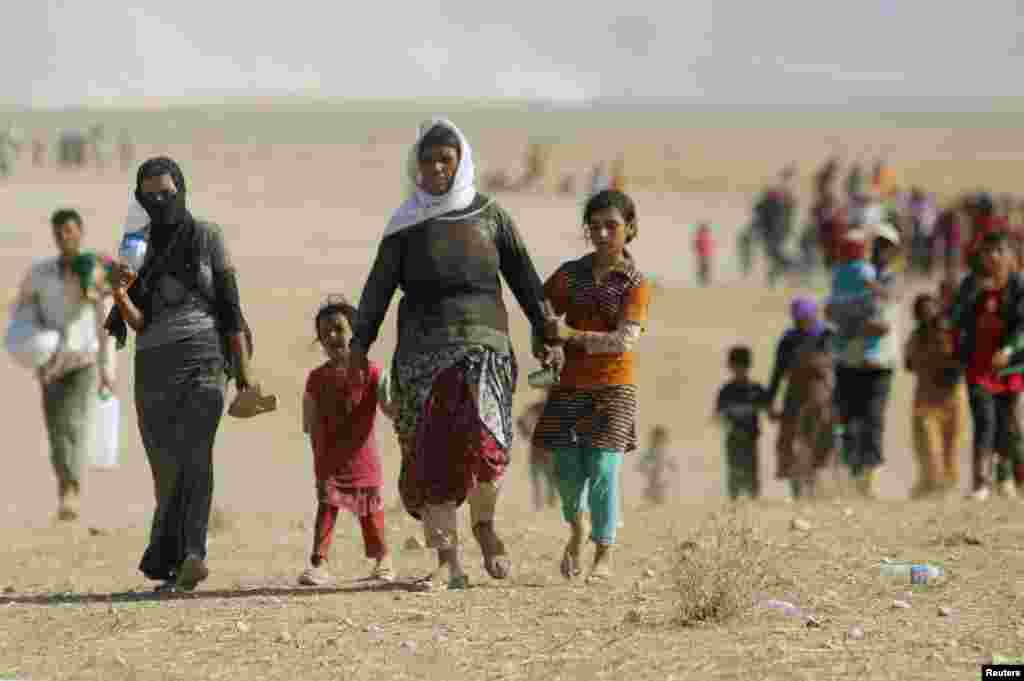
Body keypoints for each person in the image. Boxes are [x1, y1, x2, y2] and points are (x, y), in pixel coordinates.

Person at [349, 119, 555, 591]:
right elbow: (377, 289)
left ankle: (484, 524)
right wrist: (359, 346)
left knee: (489, 447)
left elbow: (524, 277)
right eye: (428, 160)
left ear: (461, 161)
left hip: (487, 350)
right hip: (423, 356)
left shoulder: (491, 215)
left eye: (447, 158)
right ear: (415, 166)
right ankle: (447, 561)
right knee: (432, 457)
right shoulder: (405, 224)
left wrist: (546, 330)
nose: (438, 167)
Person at [105, 157, 257, 592]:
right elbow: (135, 321)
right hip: (153, 366)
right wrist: (118, 290)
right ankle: (171, 563)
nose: (160, 202)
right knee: (166, 468)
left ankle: (195, 552)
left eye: (167, 194)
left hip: (204, 358)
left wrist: (244, 374)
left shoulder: (209, 237)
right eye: (150, 195)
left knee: (196, 454)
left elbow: (230, 308)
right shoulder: (136, 245)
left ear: (183, 191)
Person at [534, 189, 652, 582]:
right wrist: (546, 342)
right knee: (566, 470)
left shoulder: (635, 283)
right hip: (569, 388)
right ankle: (577, 528)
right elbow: (542, 307)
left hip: (614, 388)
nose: (602, 234)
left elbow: (624, 341)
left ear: (630, 229)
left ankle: (604, 552)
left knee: (603, 468)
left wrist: (570, 335)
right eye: (595, 226)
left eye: (612, 226)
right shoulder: (571, 274)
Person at [11, 209, 117, 520]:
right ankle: (65, 488)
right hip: (50, 362)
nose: (64, 236)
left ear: (80, 232)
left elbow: (105, 323)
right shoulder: (41, 273)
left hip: (83, 360)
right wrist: (29, 345)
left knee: (76, 424)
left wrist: (107, 369)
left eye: (70, 230)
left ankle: (72, 488)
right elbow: (24, 306)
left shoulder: (94, 271)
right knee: (56, 428)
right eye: (59, 231)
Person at [299, 296, 394, 586]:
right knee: (326, 510)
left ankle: (383, 561)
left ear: (355, 332)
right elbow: (309, 422)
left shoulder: (372, 372)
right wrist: (317, 457)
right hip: (329, 460)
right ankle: (318, 564)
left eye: (338, 328)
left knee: (370, 513)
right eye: (325, 331)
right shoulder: (315, 379)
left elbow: (391, 408)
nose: (331, 336)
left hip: (363, 460)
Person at [828, 223, 903, 498]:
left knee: (873, 418)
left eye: (887, 246)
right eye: (878, 244)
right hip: (848, 359)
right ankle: (851, 473)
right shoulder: (850, 274)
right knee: (847, 417)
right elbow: (831, 310)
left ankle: (869, 479)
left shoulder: (891, 279)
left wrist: (849, 326)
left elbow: (882, 321)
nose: (882, 250)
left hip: (879, 361)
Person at [951, 231, 1024, 500]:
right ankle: (980, 482)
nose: (992, 256)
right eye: (988, 251)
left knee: (1009, 423)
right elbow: (956, 317)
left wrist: (1009, 349)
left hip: (1010, 366)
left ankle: (1006, 478)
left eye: (998, 250)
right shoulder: (971, 284)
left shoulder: (1018, 284)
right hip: (978, 365)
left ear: (1008, 254)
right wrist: (973, 298)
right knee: (984, 420)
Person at [765, 298, 832, 500]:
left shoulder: (827, 336)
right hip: (794, 396)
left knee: (819, 438)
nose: (802, 321)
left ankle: (818, 482)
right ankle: (796, 487)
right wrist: (770, 401)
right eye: (798, 318)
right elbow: (777, 372)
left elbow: (838, 369)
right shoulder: (788, 339)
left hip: (821, 395)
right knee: (788, 440)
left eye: (806, 317)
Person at [904, 293, 965, 499]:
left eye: (931, 310)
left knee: (951, 450)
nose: (927, 315)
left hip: (952, 399)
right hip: (926, 400)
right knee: (929, 450)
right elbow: (909, 364)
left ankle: (943, 489)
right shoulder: (915, 338)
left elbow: (963, 361)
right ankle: (930, 485)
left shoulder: (952, 334)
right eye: (923, 311)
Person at [827, 228, 887, 367]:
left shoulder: (837, 269)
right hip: (859, 310)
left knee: (844, 338)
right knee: (875, 326)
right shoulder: (863, 268)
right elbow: (870, 284)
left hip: (839, 312)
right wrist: (883, 292)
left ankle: (844, 355)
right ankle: (867, 355)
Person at [714, 346, 767, 501]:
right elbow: (719, 415)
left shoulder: (756, 390)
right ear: (731, 367)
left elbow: (769, 409)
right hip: (733, 439)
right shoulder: (726, 390)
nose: (739, 370)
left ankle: (753, 502)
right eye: (736, 366)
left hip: (751, 440)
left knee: (752, 474)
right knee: (734, 473)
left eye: (742, 366)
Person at [516, 392, 559, 512]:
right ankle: (542, 507)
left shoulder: (544, 408)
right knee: (543, 480)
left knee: (548, 481)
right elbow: (520, 422)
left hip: (547, 451)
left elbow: (520, 422)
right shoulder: (541, 407)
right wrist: (527, 433)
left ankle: (546, 507)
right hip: (542, 450)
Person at [635, 425, 676, 505]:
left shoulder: (664, 450)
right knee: (654, 485)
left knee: (661, 486)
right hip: (654, 473)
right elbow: (644, 459)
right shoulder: (651, 450)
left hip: (662, 474)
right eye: (657, 439)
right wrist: (642, 466)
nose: (659, 442)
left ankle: (657, 497)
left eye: (661, 439)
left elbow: (669, 459)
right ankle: (652, 496)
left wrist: (672, 466)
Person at [693, 222, 714, 287]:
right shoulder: (704, 235)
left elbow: (695, 245)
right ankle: (704, 281)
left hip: (704, 255)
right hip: (704, 255)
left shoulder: (702, 235)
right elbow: (696, 245)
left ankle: (704, 281)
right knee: (704, 268)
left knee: (704, 268)